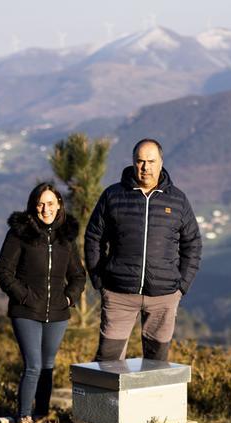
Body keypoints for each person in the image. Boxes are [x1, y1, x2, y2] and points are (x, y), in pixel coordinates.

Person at [84, 138, 202, 362]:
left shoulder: (178, 200)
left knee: (156, 365)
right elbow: (93, 237)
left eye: (151, 161)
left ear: (161, 162)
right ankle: (106, 400)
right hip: (119, 294)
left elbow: (192, 243)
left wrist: (181, 286)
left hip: (163, 297)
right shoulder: (113, 195)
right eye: (140, 161)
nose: (145, 167)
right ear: (133, 162)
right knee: (108, 362)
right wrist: (100, 280)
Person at [0, 182, 86, 423]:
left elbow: (78, 275)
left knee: (48, 366)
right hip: (26, 312)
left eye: (51, 204)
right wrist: (23, 297)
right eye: (41, 204)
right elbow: (2, 271)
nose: (46, 209)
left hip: (57, 313)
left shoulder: (66, 237)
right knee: (33, 365)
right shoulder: (20, 233)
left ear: (59, 205)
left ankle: (41, 416)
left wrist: (68, 299)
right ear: (34, 206)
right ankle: (24, 419)